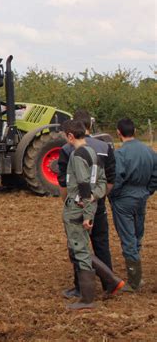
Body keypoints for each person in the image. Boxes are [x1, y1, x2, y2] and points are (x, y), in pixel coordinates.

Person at [58, 110, 124, 299]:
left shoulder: (69, 150)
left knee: (78, 247)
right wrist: (98, 197)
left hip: (79, 206)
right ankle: (108, 285)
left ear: (73, 131)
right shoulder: (103, 147)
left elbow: (65, 181)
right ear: (89, 125)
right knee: (101, 244)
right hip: (98, 204)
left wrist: (71, 203)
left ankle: (82, 288)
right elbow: (109, 178)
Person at [61, 120, 107, 310]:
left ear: (70, 136)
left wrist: (87, 214)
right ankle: (110, 281)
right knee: (82, 249)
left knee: (80, 250)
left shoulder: (77, 156)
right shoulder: (94, 153)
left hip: (77, 210)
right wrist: (93, 204)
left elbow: (84, 186)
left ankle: (87, 299)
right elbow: (101, 183)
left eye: (65, 136)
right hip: (90, 207)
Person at [109, 118, 157, 292]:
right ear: (135, 131)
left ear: (118, 133)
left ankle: (134, 282)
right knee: (137, 235)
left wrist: (114, 195)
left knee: (128, 238)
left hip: (124, 200)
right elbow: (155, 176)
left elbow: (117, 179)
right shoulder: (149, 151)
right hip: (141, 197)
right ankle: (137, 275)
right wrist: (147, 191)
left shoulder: (120, 154)